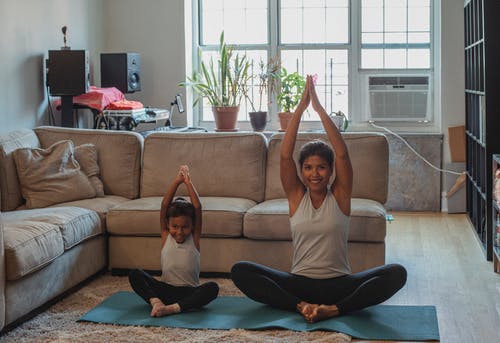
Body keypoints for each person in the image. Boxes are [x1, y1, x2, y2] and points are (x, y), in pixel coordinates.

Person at [231, 75, 406, 323]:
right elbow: (284, 156)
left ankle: (334, 309)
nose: (315, 174)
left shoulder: (340, 196)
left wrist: (319, 108)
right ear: (301, 171)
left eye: (322, 167)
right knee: (240, 271)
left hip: (340, 284)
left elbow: (343, 154)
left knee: (397, 273)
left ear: (331, 171)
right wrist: (300, 110)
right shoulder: (295, 196)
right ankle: (301, 306)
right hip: (299, 284)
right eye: (309, 167)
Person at [129, 165, 219, 317]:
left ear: (192, 226)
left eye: (185, 227)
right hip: (165, 290)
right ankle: (157, 303)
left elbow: (197, 207)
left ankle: (171, 309)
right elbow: (165, 205)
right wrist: (177, 181)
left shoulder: (194, 238)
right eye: (175, 226)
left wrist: (188, 182)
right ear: (168, 225)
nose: (179, 231)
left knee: (213, 288)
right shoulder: (166, 236)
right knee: (135, 274)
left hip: (190, 292)